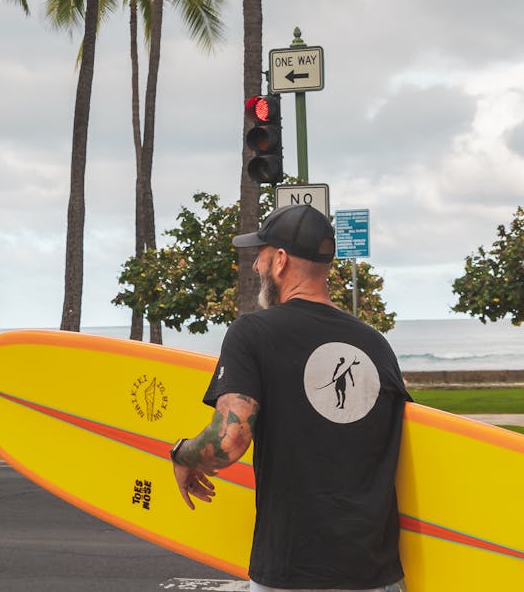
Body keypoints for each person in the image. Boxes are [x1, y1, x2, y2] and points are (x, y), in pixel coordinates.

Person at [168, 204, 411, 592]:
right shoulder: (375, 344)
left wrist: (182, 454)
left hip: (294, 573)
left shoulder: (252, 333)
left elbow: (229, 440)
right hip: (378, 575)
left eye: (259, 257)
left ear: (280, 261)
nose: (255, 268)